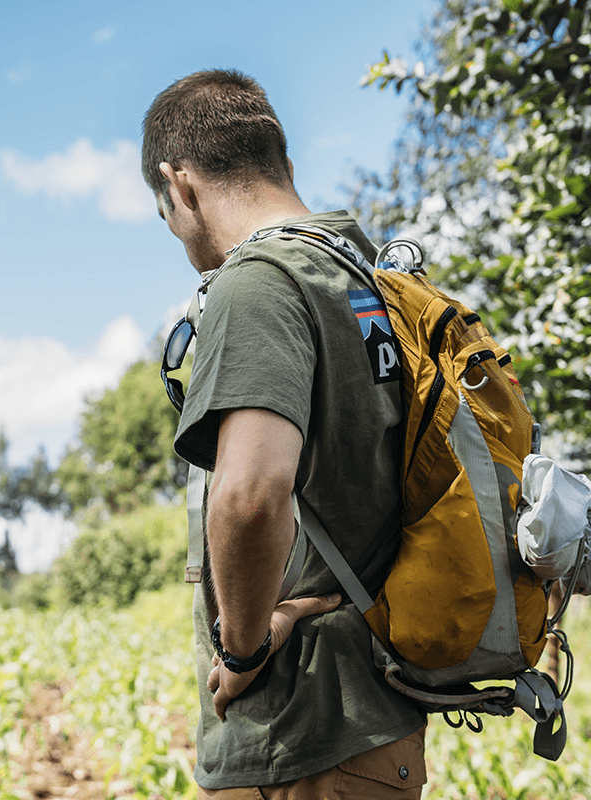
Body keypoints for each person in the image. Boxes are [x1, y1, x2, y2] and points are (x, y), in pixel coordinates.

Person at [141, 70, 429, 798]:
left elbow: (248, 492)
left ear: (181, 186)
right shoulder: (365, 282)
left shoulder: (259, 281)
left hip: (297, 737)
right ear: (285, 166)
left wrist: (239, 652)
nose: (176, 232)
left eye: (165, 212)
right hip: (375, 728)